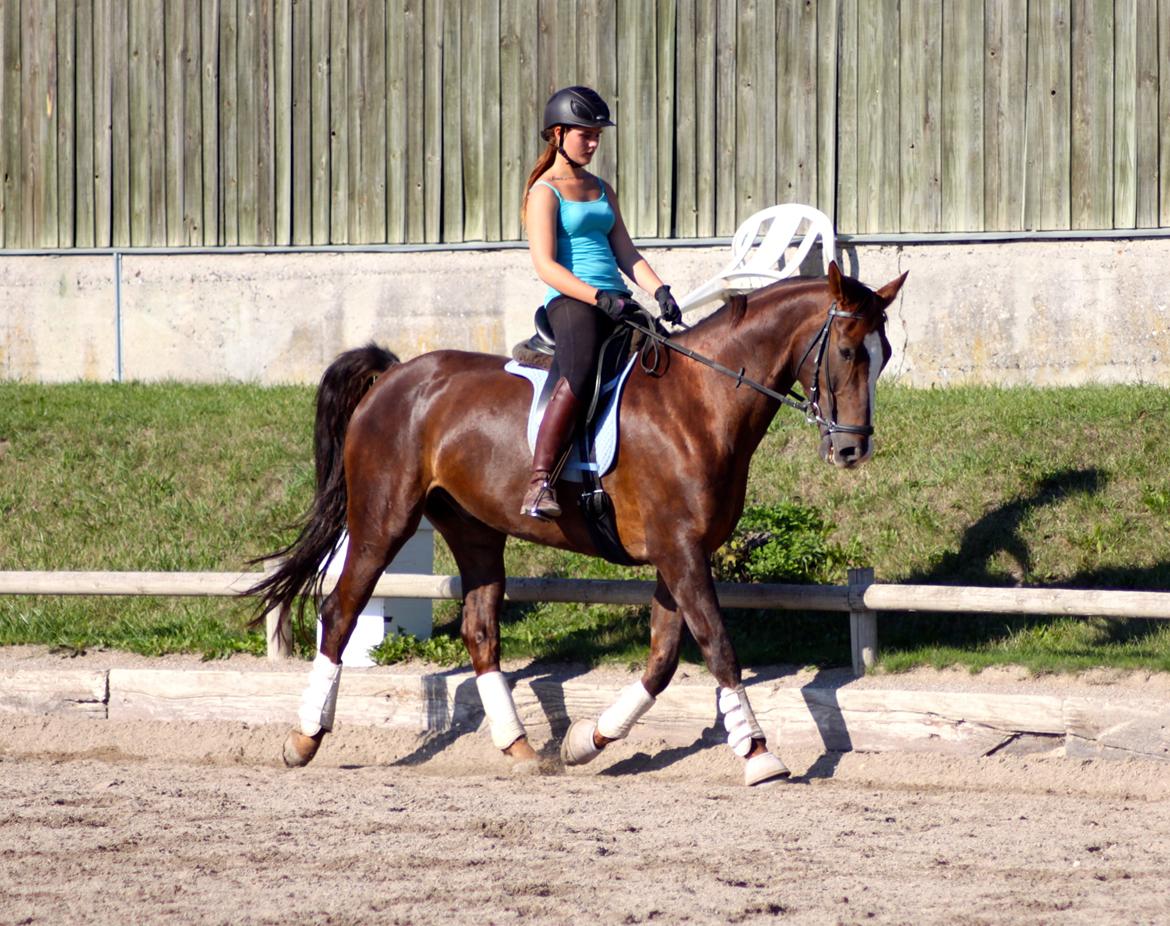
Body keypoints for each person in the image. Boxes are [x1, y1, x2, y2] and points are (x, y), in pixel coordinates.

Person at [519, 85, 682, 520]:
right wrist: (596, 296)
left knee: (664, 360)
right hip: (573, 301)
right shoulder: (544, 192)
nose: (592, 143)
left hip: (616, 298)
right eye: (584, 135)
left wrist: (660, 290)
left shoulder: (602, 188)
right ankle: (539, 482)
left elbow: (626, 251)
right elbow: (546, 265)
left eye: (597, 136)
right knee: (581, 367)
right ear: (557, 134)